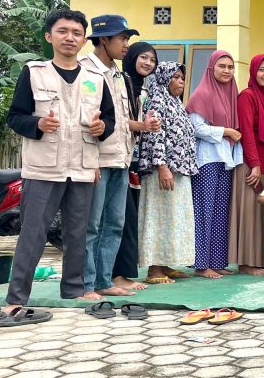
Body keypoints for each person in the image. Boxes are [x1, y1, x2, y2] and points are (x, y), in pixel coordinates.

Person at [0, 9, 116, 326]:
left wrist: (101, 129)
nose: (70, 38)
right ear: (49, 36)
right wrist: (38, 124)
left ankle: (74, 290)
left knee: (77, 233)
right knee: (33, 233)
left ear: (84, 39)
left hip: (82, 167)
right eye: (63, 31)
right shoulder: (34, 73)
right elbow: (15, 117)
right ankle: (16, 298)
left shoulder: (96, 79)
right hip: (43, 168)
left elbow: (109, 121)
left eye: (76, 33)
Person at [80, 15, 161, 301]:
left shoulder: (120, 76)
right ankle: (86, 284)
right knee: (91, 225)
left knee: (114, 223)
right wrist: (89, 161)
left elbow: (123, 121)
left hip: (121, 159)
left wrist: (143, 127)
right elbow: (84, 120)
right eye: (122, 39)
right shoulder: (84, 71)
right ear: (103, 39)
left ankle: (104, 280)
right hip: (96, 160)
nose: (126, 44)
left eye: (127, 39)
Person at [137, 63, 198, 283]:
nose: (181, 81)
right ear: (164, 78)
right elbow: (155, 136)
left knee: (172, 218)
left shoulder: (175, 101)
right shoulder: (157, 100)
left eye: (182, 77)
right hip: (162, 171)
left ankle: (165, 264)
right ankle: (154, 269)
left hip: (178, 169)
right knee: (159, 217)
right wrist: (162, 167)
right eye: (176, 77)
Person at [188, 51, 243, 279]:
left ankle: (217, 261)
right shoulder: (202, 94)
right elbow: (196, 128)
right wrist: (226, 131)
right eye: (222, 66)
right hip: (207, 160)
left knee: (220, 212)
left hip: (225, 160)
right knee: (204, 211)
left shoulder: (231, 94)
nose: (227, 71)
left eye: (230, 67)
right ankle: (201, 264)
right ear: (212, 68)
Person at [112, 42, 159, 291]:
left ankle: (123, 273)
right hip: (117, 158)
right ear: (131, 58)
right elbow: (118, 120)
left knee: (129, 218)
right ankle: (118, 275)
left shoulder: (143, 89)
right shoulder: (121, 82)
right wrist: (142, 126)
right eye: (143, 57)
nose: (148, 63)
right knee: (120, 218)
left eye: (152, 59)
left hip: (134, 162)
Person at [231, 54, 264, 275]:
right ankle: (246, 262)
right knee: (250, 212)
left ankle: (262, 258)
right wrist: (254, 164)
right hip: (251, 164)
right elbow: (247, 133)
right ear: (253, 72)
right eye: (261, 70)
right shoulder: (247, 96)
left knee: (263, 213)